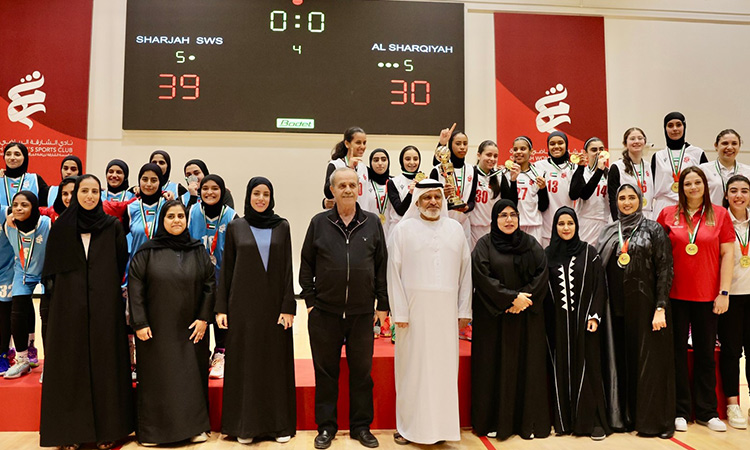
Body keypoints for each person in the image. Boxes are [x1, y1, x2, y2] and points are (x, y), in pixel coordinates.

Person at [39, 175, 134, 450]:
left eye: (95, 191)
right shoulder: (61, 228)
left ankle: (109, 430)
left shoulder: (111, 226)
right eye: (84, 190)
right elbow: (52, 271)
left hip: (105, 306)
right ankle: (70, 433)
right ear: (75, 193)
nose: (90, 195)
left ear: (101, 194)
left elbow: (119, 262)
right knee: (70, 366)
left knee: (107, 365)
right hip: (68, 308)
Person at [300, 167, 388, 449]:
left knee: (362, 374)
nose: (348, 190)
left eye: (352, 185)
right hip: (325, 313)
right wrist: (311, 303)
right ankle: (326, 427)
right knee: (325, 374)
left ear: (359, 188)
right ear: (332, 190)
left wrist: (382, 304)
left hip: (362, 314)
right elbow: (305, 266)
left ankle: (361, 427)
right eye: (342, 186)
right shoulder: (319, 222)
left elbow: (381, 266)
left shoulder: (373, 223)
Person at [387, 179, 472, 445]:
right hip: (412, 315)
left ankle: (442, 431)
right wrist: (399, 313)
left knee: (443, 372)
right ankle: (410, 428)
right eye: (427, 198)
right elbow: (393, 274)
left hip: (446, 315)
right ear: (417, 201)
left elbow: (465, 272)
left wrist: (464, 309)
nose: (433, 202)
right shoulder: (402, 230)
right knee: (413, 371)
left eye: (437, 197)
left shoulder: (455, 229)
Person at [216, 177, 296, 444]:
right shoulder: (236, 226)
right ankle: (245, 426)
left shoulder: (282, 226)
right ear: (248, 196)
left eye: (265, 194)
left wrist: (288, 307)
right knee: (245, 366)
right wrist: (221, 308)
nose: (260, 198)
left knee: (275, 364)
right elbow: (226, 270)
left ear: (271, 197)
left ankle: (278, 426)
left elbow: (287, 270)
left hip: (274, 309)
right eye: (256, 193)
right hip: (242, 309)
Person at [128, 200, 215, 445]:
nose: (177, 220)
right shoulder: (147, 251)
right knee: (158, 380)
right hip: (155, 330)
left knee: (190, 379)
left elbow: (210, 285)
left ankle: (195, 428)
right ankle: (154, 432)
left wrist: (203, 318)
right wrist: (140, 322)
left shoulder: (198, 250)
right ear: (162, 221)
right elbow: (135, 288)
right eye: (171, 216)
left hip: (191, 330)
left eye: (181, 216)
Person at [657, 166, 734, 433]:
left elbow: (728, 256)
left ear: (705, 186)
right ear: (681, 188)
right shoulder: (667, 214)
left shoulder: (720, 215)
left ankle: (707, 411)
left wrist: (724, 292)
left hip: (707, 297)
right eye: (687, 184)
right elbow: (658, 255)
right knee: (676, 354)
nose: (692, 188)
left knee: (705, 355)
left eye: (697, 183)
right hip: (674, 297)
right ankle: (679, 411)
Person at [598, 184, 675, 438]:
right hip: (615, 310)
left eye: (632, 197)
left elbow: (665, 270)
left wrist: (661, 307)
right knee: (621, 363)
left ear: (641, 200)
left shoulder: (654, 230)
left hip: (647, 309)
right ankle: (624, 417)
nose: (627, 202)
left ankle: (655, 422)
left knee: (649, 367)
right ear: (616, 202)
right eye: (622, 198)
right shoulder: (609, 231)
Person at [471, 199, 550, 440]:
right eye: (503, 215)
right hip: (494, 321)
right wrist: (510, 299)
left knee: (527, 368)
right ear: (494, 220)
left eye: (513, 215)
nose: (508, 220)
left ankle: (527, 423)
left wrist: (523, 300)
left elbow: (541, 272)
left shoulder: (530, 244)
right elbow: (482, 278)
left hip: (526, 320)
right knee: (494, 369)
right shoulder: (484, 246)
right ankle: (494, 421)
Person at [544, 207, 610, 440]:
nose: (566, 228)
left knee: (587, 368)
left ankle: (592, 422)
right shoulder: (547, 255)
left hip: (584, 324)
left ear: (576, 225)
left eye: (570, 223)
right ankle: (563, 421)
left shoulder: (589, 252)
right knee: (560, 368)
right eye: (561, 224)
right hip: (557, 328)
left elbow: (599, 287)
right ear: (555, 227)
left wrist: (594, 316)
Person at [187, 174, 237, 379]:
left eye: (214, 188)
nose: (209, 192)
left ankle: (221, 354)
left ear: (222, 191)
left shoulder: (232, 216)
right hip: (197, 275)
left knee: (221, 316)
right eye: (205, 188)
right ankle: (201, 354)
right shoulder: (192, 211)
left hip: (223, 275)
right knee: (200, 314)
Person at [2, 191, 51, 378]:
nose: (19, 208)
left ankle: (51, 364)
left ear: (34, 207)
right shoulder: (10, 226)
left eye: (24, 205)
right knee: (17, 313)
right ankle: (23, 360)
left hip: (47, 272)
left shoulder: (47, 224)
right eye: (15, 205)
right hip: (22, 272)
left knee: (46, 315)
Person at [720, 175, 750, 429]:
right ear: (726, 194)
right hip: (730, 295)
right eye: (734, 191)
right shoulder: (719, 220)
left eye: (744, 191)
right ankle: (732, 404)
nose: (739, 195)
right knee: (731, 352)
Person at [651, 112, 707, 217]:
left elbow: (706, 183)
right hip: (663, 206)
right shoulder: (657, 156)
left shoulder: (697, 153)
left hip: (690, 204)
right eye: (670, 125)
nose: (675, 129)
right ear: (665, 129)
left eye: (678, 124)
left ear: (684, 127)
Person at [430, 124, 478, 244]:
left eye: (465, 143)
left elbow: (472, 200)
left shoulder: (472, 170)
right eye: (458, 143)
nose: (462, 147)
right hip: (441, 223)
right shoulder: (438, 170)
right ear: (450, 145)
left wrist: (467, 208)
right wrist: (443, 195)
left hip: (463, 224)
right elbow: (431, 198)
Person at [469, 140, 518, 249]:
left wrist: (513, 180)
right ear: (478, 155)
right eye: (488, 155)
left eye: (495, 156)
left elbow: (511, 203)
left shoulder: (500, 176)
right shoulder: (470, 174)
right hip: (472, 228)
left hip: (494, 228)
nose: (492, 159)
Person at [535, 131, 575, 246]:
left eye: (560, 143)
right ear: (547, 146)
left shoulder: (574, 168)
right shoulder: (538, 166)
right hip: (545, 227)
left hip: (567, 226)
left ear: (566, 145)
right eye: (552, 144)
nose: (556, 146)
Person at [507, 136, 548, 244]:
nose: (518, 152)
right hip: (513, 225)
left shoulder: (539, 173)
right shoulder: (506, 174)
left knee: (534, 259)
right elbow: (509, 203)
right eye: (515, 149)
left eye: (523, 149)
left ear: (531, 151)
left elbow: (543, 206)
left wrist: (543, 189)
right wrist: (513, 181)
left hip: (534, 224)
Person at [570, 137, 610, 244]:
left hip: (605, 221)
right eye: (594, 150)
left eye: (601, 149)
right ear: (585, 153)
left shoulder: (610, 173)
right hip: (585, 220)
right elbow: (583, 194)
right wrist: (599, 170)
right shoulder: (580, 171)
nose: (598, 153)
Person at [608, 127, 654, 220]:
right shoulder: (617, 167)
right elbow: (613, 199)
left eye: (640, 138)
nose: (636, 141)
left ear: (645, 142)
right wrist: (618, 222)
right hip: (626, 217)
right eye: (632, 139)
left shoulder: (649, 166)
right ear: (625, 143)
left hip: (648, 217)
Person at [700, 129, 750, 206]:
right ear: (716, 146)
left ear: (739, 146)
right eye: (725, 143)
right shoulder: (703, 170)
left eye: (734, 143)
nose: (730, 147)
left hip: (739, 217)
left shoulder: (747, 171)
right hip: (712, 216)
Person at [323, 127, 369, 209]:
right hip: (341, 216)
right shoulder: (335, 165)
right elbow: (328, 193)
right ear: (347, 144)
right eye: (358, 142)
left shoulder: (363, 167)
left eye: (364, 143)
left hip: (361, 216)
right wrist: (348, 168)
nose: (362, 146)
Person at [0, 142, 50, 206]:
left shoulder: (34, 179)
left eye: (17, 154)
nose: (12, 158)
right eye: (8, 154)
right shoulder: (0, 178)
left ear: (24, 158)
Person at [386, 146, 421, 236]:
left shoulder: (423, 180)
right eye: (407, 159)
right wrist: (411, 193)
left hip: (419, 229)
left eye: (415, 159)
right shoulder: (393, 182)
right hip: (399, 230)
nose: (412, 162)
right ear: (402, 161)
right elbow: (400, 210)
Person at [360, 149, 392, 236]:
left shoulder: (394, 182)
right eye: (376, 160)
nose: (380, 163)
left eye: (384, 159)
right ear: (370, 163)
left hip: (391, 232)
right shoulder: (365, 184)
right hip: (370, 231)